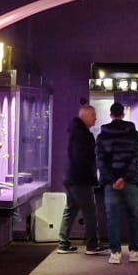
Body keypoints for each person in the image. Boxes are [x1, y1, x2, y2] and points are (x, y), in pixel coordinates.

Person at [94, 101, 138, 264]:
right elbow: (137, 157)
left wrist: (113, 180)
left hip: (111, 184)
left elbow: (100, 161)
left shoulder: (102, 136)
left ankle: (115, 252)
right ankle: (134, 251)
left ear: (111, 115)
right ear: (123, 114)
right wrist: (125, 177)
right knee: (132, 217)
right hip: (131, 181)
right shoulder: (133, 134)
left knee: (112, 218)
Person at [56, 103, 104, 255]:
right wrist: (92, 170)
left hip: (71, 177)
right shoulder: (82, 134)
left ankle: (63, 243)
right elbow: (82, 158)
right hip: (81, 179)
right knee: (90, 212)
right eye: (94, 115)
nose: (96, 119)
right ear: (86, 115)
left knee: (71, 209)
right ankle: (92, 244)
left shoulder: (74, 131)